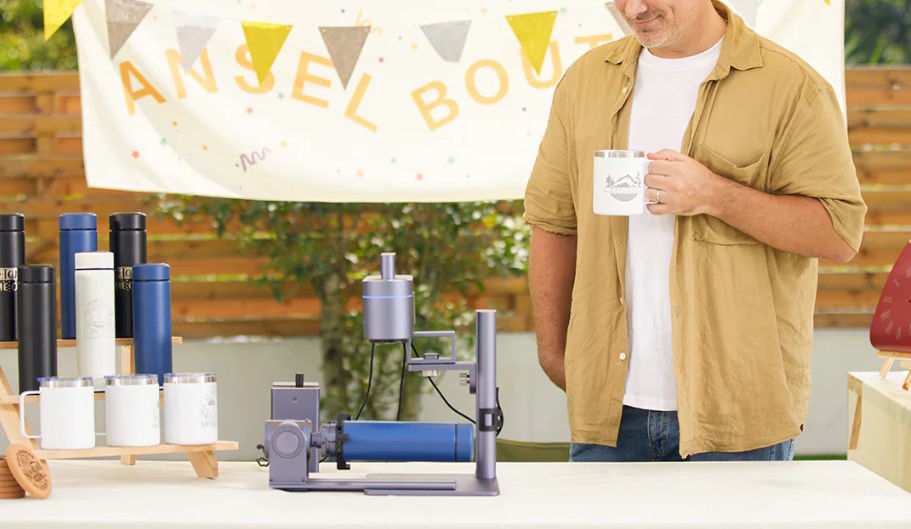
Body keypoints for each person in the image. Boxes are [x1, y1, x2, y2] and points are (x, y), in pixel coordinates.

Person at [524, 0, 867, 461]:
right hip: (609, 410)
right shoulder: (585, 81)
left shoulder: (791, 86)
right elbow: (554, 222)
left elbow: (839, 234)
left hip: (738, 410)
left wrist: (715, 195)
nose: (633, 9)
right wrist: (553, 354)